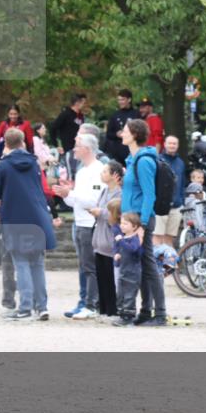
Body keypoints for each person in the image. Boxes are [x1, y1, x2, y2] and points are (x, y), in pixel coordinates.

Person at [0, 128, 56, 321]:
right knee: (37, 263)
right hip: (37, 217)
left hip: (15, 218)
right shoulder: (34, 163)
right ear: (23, 142)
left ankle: (25, 307)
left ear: (6, 144)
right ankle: (41, 306)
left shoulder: (3, 165)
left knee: (21, 263)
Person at [114, 119, 166, 326]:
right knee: (142, 267)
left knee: (149, 267)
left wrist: (142, 225)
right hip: (132, 220)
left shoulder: (144, 161)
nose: (121, 134)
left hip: (140, 221)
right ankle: (145, 312)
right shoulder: (132, 160)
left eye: (125, 131)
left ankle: (159, 313)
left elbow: (149, 195)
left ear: (134, 134)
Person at [53, 133, 106, 319]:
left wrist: (71, 194)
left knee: (90, 266)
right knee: (85, 265)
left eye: (77, 145)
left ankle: (91, 305)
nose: (73, 149)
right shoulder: (82, 171)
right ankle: (87, 301)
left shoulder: (98, 170)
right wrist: (66, 194)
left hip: (91, 224)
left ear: (87, 149)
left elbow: (93, 201)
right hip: (80, 221)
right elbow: (75, 202)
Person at [89, 160, 124, 318]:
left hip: (111, 241)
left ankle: (112, 310)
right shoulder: (104, 191)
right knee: (101, 277)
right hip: (99, 240)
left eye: (105, 171)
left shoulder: (120, 193)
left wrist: (100, 213)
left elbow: (115, 215)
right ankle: (102, 309)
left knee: (110, 278)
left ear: (113, 175)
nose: (102, 174)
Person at [112, 211, 145, 327]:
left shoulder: (134, 239)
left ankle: (128, 317)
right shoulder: (124, 237)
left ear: (134, 226)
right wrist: (117, 254)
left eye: (126, 224)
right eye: (121, 223)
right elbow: (118, 248)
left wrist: (121, 241)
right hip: (123, 270)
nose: (122, 226)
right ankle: (122, 314)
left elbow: (133, 249)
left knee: (130, 295)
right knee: (121, 294)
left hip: (133, 272)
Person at [155, 135, 186, 248]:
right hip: (160, 206)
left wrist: (182, 200)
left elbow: (182, 184)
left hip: (176, 206)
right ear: (165, 144)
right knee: (158, 238)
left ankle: (169, 264)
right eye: (170, 143)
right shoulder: (158, 160)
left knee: (169, 238)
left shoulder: (180, 163)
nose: (172, 146)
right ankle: (158, 265)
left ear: (177, 146)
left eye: (174, 143)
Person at [104, 89, 139, 164]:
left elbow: (141, 132)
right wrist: (116, 134)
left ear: (129, 99)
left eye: (122, 99)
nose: (120, 102)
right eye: (119, 100)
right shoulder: (115, 115)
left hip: (132, 151)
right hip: (117, 152)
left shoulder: (136, 114)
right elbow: (108, 134)